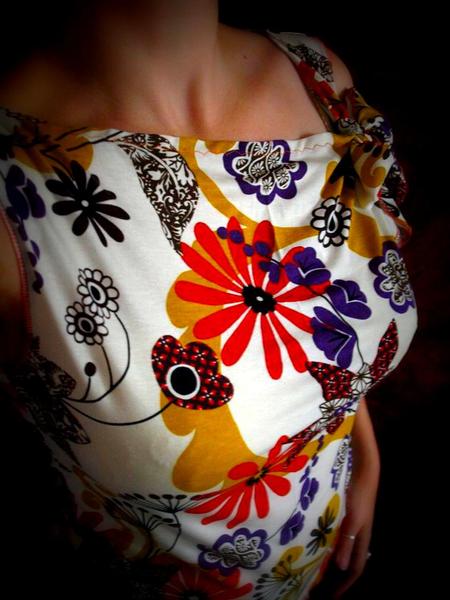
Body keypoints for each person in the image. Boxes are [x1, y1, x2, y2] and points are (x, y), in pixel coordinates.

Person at [0, 1, 418, 598]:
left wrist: (362, 450)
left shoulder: (316, 77)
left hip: (323, 546)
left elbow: (319, 326)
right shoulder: (16, 189)